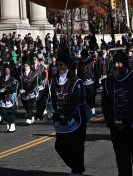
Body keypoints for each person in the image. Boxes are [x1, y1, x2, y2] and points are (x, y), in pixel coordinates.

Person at [102, 50, 133, 176]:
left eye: (119, 63)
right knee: (123, 165)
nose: (116, 66)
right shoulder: (108, 82)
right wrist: (110, 121)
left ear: (125, 64)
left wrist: (127, 120)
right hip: (117, 128)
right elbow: (105, 105)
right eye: (115, 63)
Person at [50, 48, 90, 176]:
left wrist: (64, 114)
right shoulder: (54, 80)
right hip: (61, 119)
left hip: (76, 118)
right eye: (57, 64)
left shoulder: (76, 81)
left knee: (77, 147)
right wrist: (54, 113)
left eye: (61, 64)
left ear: (67, 65)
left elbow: (75, 102)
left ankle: (77, 170)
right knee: (60, 147)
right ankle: (76, 166)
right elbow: (52, 98)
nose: (58, 67)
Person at [0, 63, 19, 132]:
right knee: (2, 111)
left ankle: (12, 125)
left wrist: (5, 90)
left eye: (8, 69)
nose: (7, 70)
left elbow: (13, 89)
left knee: (10, 112)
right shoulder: (1, 79)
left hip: (10, 98)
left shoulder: (13, 79)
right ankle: (7, 122)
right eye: (6, 69)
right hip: (2, 98)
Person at [20, 57, 41, 124]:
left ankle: (29, 118)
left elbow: (34, 84)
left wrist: (27, 89)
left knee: (29, 105)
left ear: (29, 67)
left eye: (26, 66)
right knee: (26, 106)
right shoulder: (22, 74)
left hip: (31, 93)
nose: (25, 67)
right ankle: (31, 116)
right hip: (24, 93)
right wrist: (21, 89)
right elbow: (20, 83)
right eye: (24, 66)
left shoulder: (34, 74)